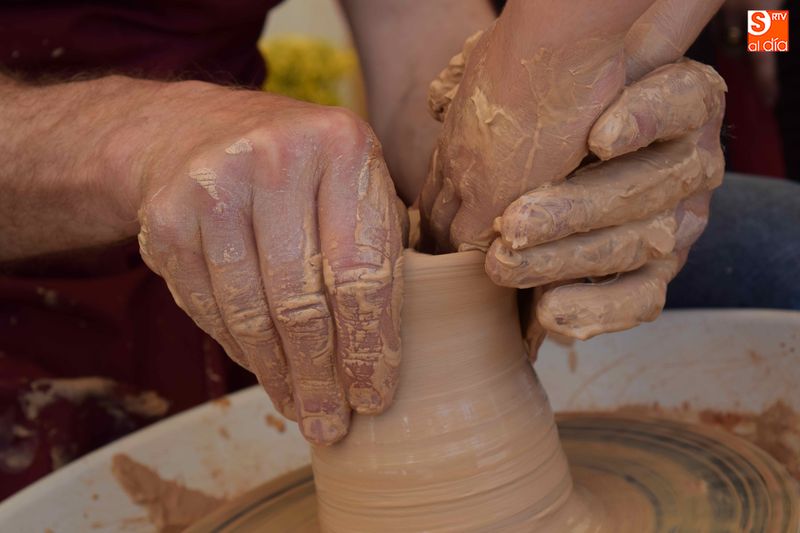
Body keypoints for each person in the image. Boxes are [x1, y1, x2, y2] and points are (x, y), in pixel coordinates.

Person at [0, 0, 733, 499]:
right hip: (36, 281)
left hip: (273, 243)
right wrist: (138, 140)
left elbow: (416, 42)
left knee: (764, 235)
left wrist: (521, 149)